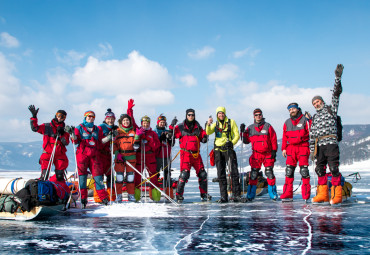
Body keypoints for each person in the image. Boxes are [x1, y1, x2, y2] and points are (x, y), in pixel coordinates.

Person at [310, 64, 344, 205]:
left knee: (334, 168)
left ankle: (337, 195)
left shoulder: (331, 109)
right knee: (320, 170)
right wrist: (312, 150)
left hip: (330, 143)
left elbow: (336, 94)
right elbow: (312, 135)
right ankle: (323, 194)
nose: (316, 104)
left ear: (322, 101)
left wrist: (337, 78)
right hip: (319, 147)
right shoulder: (315, 117)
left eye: (317, 101)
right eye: (314, 103)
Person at [66, 110, 108, 208]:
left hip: (94, 156)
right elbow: (75, 141)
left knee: (98, 178)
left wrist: (109, 137)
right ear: (85, 117)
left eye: (93, 117)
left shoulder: (97, 129)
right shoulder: (79, 128)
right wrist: (71, 134)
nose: (91, 118)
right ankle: (83, 199)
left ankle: (103, 198)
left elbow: (101, 141)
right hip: (82, 156)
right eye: (89, 116)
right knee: (82, 179)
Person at [28, 105, 70, 201]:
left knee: (60, 176)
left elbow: (66, 142)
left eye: (63, 116)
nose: (60, 117)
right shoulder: (47, 126)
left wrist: (61, 134)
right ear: (56, 115)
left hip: (60, 155)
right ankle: (42, 195)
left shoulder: (65, 130)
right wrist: (34, 117)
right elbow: (35, 128)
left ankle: (61, 194)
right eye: (59, 115)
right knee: (44, 175)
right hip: (48, 153)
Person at [169, 109, 211, 203]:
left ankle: (204, 194)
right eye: (189, 115)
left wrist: (205, 136)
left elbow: (203, 139)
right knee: (184, 174)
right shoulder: (180, 127)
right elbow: (171, 135)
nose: (191, 116)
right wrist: (172, 126)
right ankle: (179, 195)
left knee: (203, 174)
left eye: (192, 115)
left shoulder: (198, 127)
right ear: (186, 115)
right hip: (185, 154)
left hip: (196, 154)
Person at [206, 107, 244, 203]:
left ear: (224, 113)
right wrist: (208, 124)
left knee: (234, 173)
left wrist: (232, 142)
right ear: (217, 115)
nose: (221, 115)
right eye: (219, 113)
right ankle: (224, 197)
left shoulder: (231, 122)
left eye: (222, 113)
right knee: (221, 174)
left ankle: (236, 195)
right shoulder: (215, 124)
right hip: (218, 151)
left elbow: (237, 135)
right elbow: (208, 132)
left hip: (228, 149)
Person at [241, 108, 278, 201]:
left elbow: (273, 139)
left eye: (260, 115)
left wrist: (274, 151)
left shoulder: (268, 126)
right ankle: (250, 194)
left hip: (268, 153)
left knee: (269, 173)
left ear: (262, 115)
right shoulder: (250, 128)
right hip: (256, 154)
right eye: (256, 115)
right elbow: (245, 141)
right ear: (254, 116)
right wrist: (242, 132)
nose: (258, 116)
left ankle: (273, 194)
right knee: (253, 174)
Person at [280, 103, 311, 202]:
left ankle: (306, 195)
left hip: (303, 147)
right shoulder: (287, 122)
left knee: (304, 171)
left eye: (293, 109)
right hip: (291, 148)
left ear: (298, 109)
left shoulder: (305, 120)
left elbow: (311, 131)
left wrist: (310, 120)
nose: (292, 111)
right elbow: (285, 136)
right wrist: (284, 148)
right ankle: (287, 194)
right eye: (290, 110)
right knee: (289, 172)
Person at [113, 113, 140, 202]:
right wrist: (117, 153)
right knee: (119, 177)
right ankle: (119, 195)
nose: (126, 122)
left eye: (127, 120)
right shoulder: (117, 132)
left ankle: (131, 195)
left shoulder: (133, 132)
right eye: (124, 120)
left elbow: (136, 143)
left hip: (131, 157)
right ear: (121, 122)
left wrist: (137, 140)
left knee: (130, 178)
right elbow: (114, 144)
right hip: (120, 157)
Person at [95, 108, 118, 202]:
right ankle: (99, 197)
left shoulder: (115, 128)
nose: (110, 120)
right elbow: (99, 142)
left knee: (110, 176)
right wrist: (108, 137)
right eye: (108, 118)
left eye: (112, 118)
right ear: (105, 119)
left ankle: (111, 196)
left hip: (109, 155)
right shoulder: (100, 127)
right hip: (100, 155)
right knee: (99, 176)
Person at [155, 114, 175, 198]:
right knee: (156, 175)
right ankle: (155, 193)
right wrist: (160, 138)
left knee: (167, 175)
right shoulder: (154, 132)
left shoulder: (168, 131)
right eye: (161, 122)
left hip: (166, 156)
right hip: (157, 156)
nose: (162, 124)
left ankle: (168, 193)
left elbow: (173, 144)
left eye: (163, 122)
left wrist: (171, 139)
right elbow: (154, 144)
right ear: (158, 123)